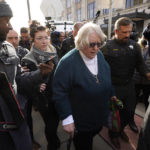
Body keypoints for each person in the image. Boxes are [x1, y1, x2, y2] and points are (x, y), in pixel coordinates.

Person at [0, 1, 54, 150]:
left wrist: (40, 73)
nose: (10, 26)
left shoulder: (8, 49)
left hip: (17, 121)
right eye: (6, 21)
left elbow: (19, 80)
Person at [52, 22, 115, 150]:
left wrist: (111, 95)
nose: (96, 48)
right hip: (81, 122)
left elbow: (106, 76)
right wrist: (67, 118)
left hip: (98, 116)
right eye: (91, 44)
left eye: (99, 44)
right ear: (80, 42)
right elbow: (59, 92)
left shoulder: (99, 55)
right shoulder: (67, 63)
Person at [101, 17, 150, 149]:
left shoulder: (134, 46)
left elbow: (140, 63)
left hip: (129, 87)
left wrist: (147, 74)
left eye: (129, 32)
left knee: (129, 113)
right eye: (124, 32)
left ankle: (120, 129)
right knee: (113, 115)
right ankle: (114, 134)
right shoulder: (106, 47)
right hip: (113, 88)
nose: (127, 35)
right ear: (116, 31)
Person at [21, 25, 60, 150]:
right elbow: (26, 83)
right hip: (44, 100)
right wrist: (37, 86)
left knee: (57, 123)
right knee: (51, 126)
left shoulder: (52, 50)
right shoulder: (28, 59)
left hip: (58, 95)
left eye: (46, 37)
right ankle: (53, 146)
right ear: (32, 40)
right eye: (39, 38)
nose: (44, 41)